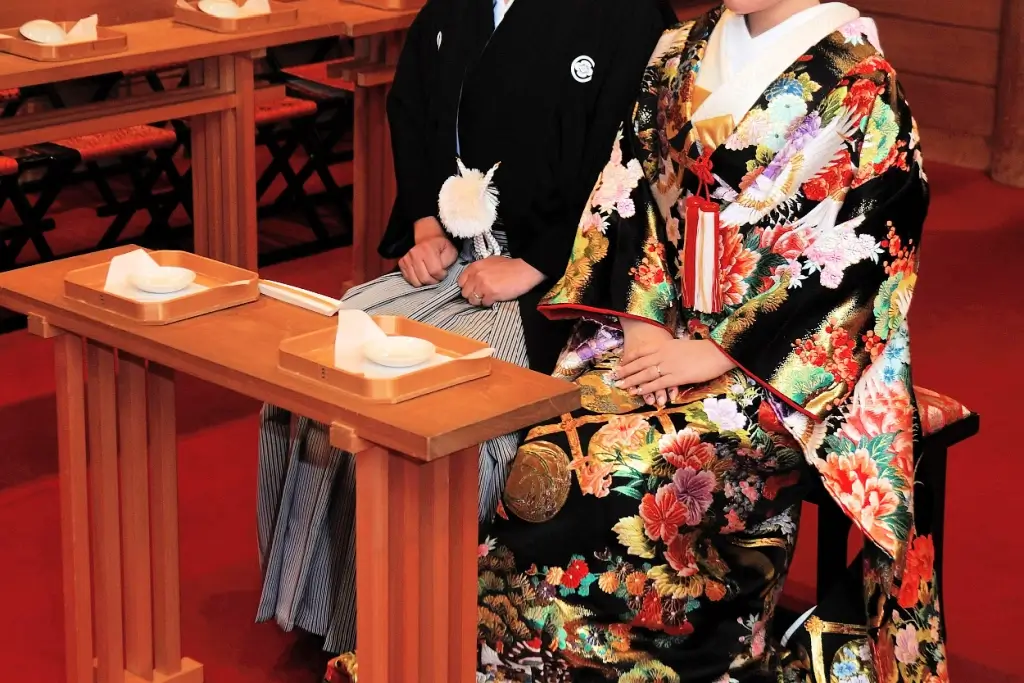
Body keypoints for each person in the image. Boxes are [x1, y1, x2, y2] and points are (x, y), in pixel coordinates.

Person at [467, 1, 944, 681]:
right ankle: (501, 651)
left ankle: (685, 656)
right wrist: (643, 324)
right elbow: (629, 190)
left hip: (778, 368)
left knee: (620, 470)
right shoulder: (679, 51)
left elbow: (863, 253)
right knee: (545, 447)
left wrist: (718, 351)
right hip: (656, 322)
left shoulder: (863, 86)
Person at [256, 0, 677, 656]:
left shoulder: (626, 14)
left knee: (441, 399)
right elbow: (414, 107)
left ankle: (414, 630)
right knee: (322, 359)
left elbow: (629, 158)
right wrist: (424, 221)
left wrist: (537, 263)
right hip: (455, 251)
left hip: (561, 277)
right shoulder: (454, 6)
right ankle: (320, 611)